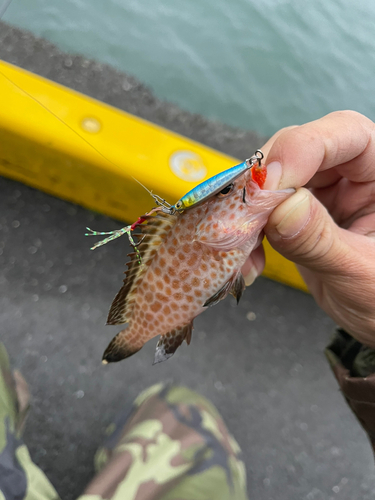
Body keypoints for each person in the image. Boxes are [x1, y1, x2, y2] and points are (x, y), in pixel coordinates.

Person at [1, 110, 375, 499]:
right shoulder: (218, 236)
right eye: (229, 192)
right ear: (209, 222)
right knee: (191, 426)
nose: (241, 188)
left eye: (228, 190)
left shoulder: (225, 233)